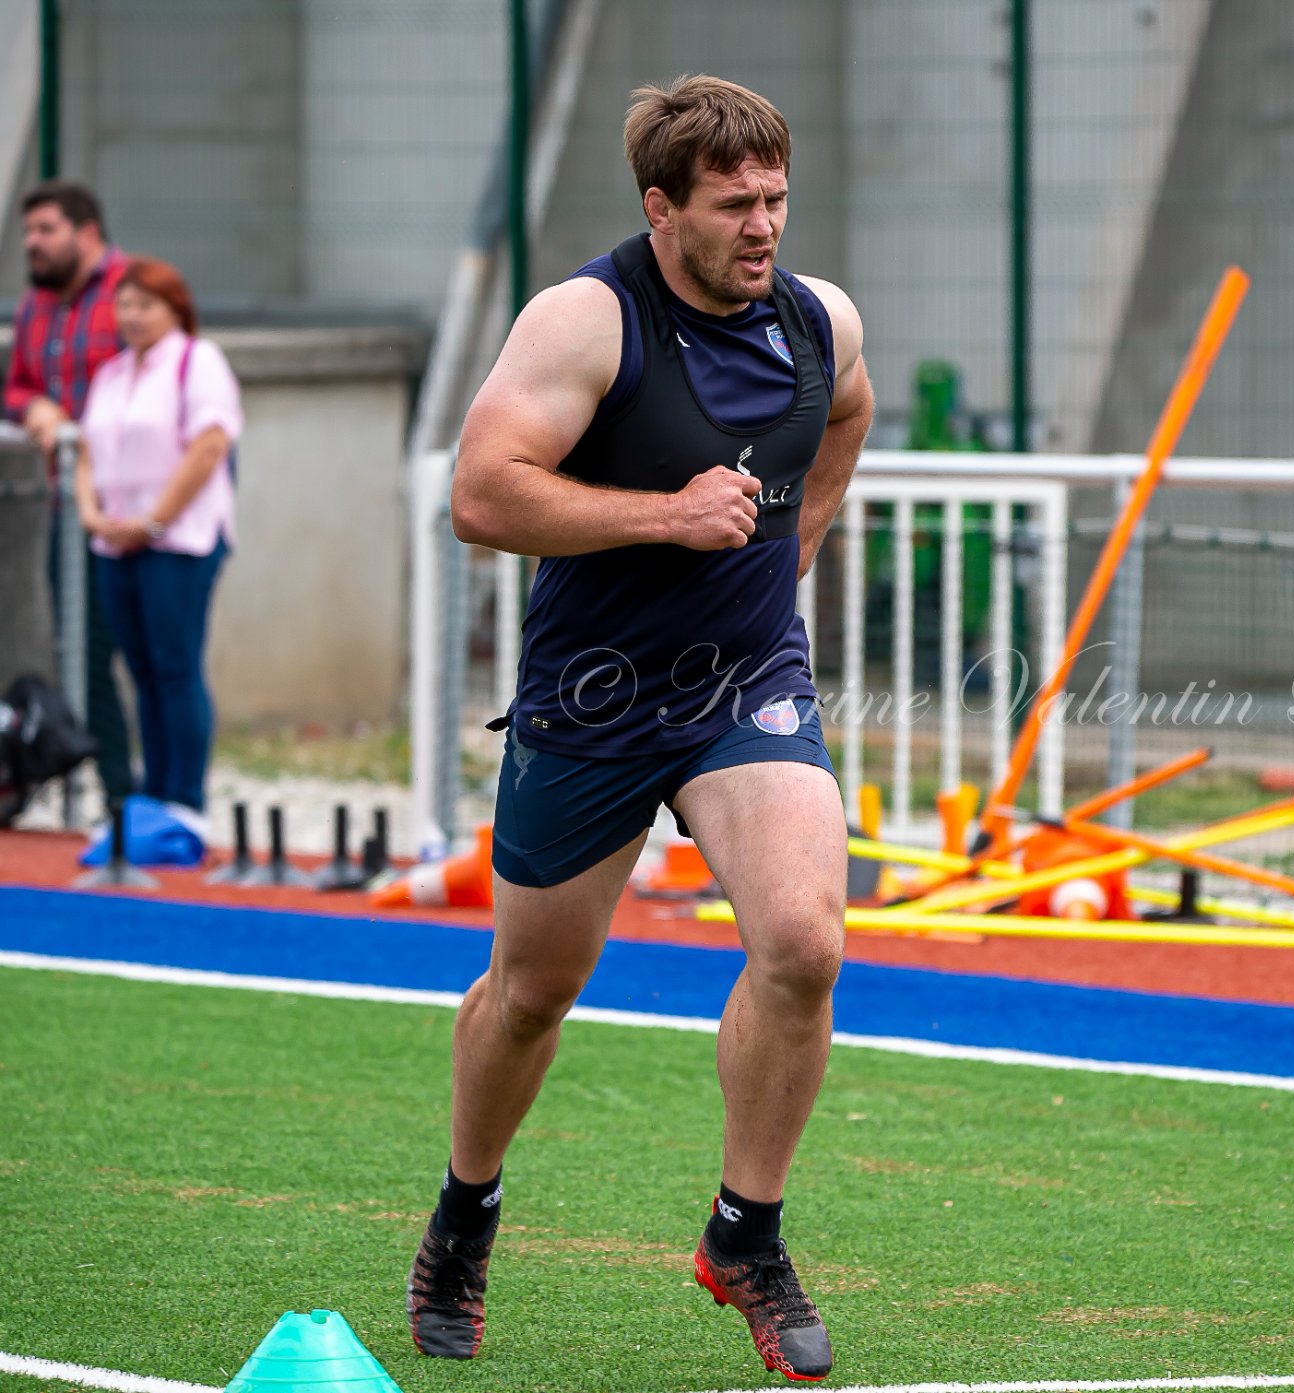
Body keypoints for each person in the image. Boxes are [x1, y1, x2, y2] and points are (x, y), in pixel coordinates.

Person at [406, 75, 872, 1383]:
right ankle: (465, 1210)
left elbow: (845, 409)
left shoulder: (815, 320)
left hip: (745, 684)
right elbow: (482, 497)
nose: (765, 226)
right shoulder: (583, 321)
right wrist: (665, 516)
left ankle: (748, 1234)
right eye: (736, 205)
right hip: (594, 698)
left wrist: (797, 560)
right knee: (534, 990)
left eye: (778, 199)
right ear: (662, 208)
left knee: (804, 941)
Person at [71, 257, 240, 820]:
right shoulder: (113, 373)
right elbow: (88, 450)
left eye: (146, 305)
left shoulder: (198, 361)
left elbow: (209, 446)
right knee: (139, 668)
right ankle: (153, 792)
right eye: (125, 305)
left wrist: (154, 521)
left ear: (175, 309)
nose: (133, 316)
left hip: (178, 542)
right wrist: (93, 514)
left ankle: (185, 799)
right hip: (115, 543)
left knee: (175, 663)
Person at [4, 180, 136, 812]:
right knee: (79, 651)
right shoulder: (36, 305)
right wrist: (35, 406)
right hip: (66, 510)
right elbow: (17, 385)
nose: (33, 243)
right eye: (29, 232)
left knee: (144, 655)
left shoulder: (131, 292)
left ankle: (158, 799)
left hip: (132, 510)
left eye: (46, 230)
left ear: (87, 233)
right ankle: (115, 798)